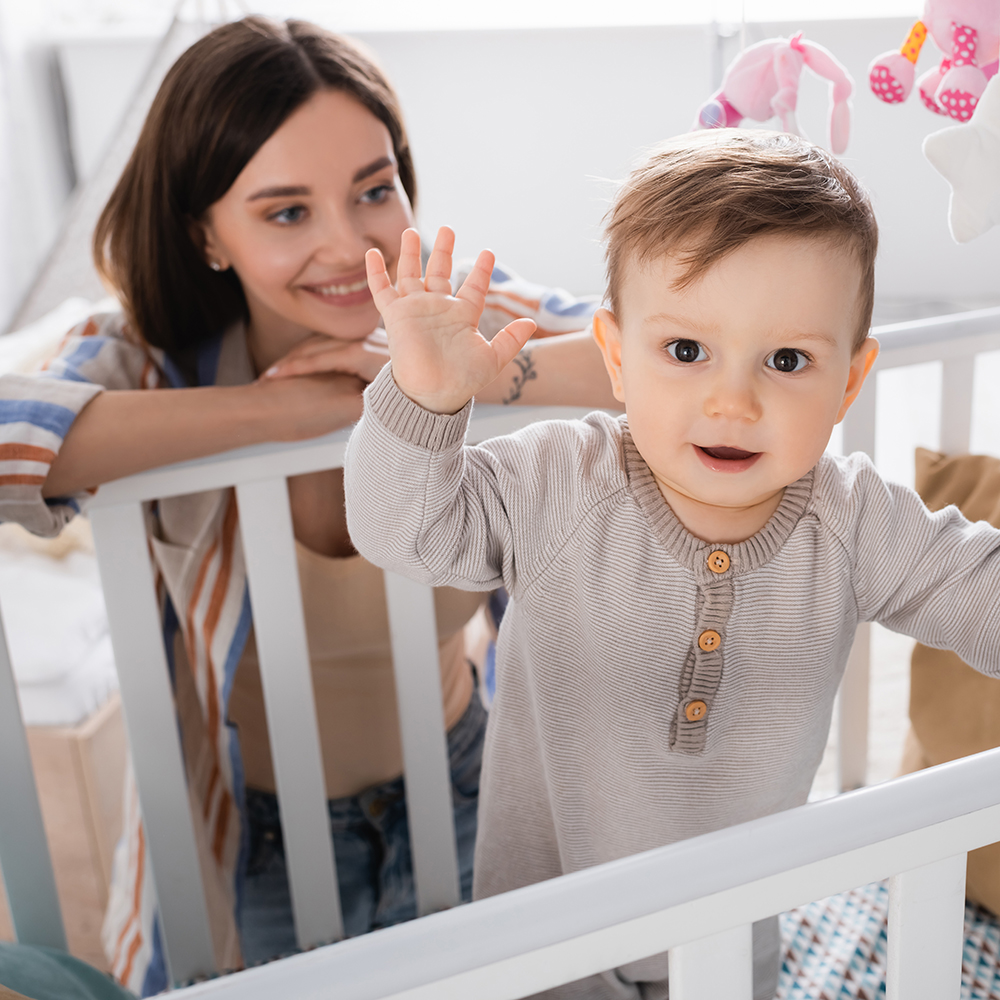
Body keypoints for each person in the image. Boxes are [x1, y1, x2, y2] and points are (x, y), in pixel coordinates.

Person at [0, 16, 618, 994]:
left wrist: (454, 376)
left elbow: (666, 354)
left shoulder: (456, 314)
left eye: (375, 190)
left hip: (468, 783)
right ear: (206, 231)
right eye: (286, 211)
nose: (347, 244)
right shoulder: (153, 361)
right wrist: (271, 410)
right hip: (252, 838)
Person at [343, 129, 1000, 1000]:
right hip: (545, 933)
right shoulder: (558, 482)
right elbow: (404, 532)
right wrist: (423, 398)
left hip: (732, 934)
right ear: (616, 357)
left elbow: (976, 588)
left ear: (849, 382)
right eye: (686, 352)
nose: (734, 400)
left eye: (789, 360)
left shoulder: (855, 522)